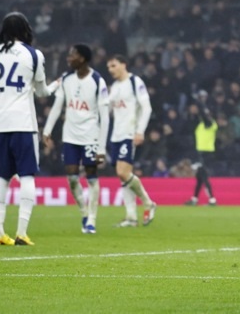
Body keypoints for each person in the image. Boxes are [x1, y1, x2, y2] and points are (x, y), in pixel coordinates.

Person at [0, 12, 54, 246]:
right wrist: (56, 85)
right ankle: (21, 233)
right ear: (26, 29)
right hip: (24, 123)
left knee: (2, 178)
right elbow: (42, 92)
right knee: (27, 175)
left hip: (0, 122)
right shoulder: (33, 54)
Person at [42, 44, 110, 234]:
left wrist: (101, 148)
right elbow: (57, 106)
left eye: (73, 55)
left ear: (83, 58)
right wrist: (47, 130)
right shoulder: (66, 79)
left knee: (91, 177)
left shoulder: (97, 81)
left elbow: (105, 117)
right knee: (72, 177)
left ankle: (92, 220)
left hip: (90, 136)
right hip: (70, 136)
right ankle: (84, 213)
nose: (69, 58)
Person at [106, 54, 157, 227]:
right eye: (109, 67)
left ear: (123, 65)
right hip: (116, 135)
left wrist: (140, 131)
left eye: (113, 66)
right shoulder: (115, 87)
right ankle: (131, 217)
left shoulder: (135, 82)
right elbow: (108, 110)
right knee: (123, 176)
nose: (111, 70)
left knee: (123, 172)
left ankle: (148, 202)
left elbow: (147, 108)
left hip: (129, 133)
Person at [185, 91, 217, 206]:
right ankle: (194, 199)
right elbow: (201, 115)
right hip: (201, 152)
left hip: (206, 152)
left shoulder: (210, 124)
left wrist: (198, 101)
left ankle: (212, 199)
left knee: (203, 176)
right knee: (199, 177)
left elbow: (203, 113)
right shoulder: (203, 124)